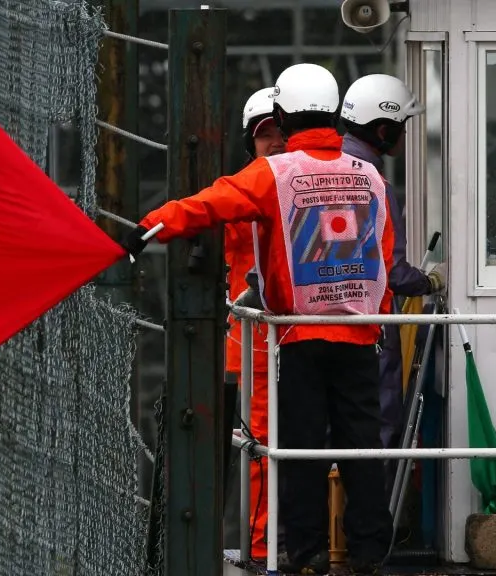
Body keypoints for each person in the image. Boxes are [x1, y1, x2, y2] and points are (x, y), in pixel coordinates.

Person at [122, 62, 395, 575]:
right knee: (362, 446)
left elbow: (210, 203)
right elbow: (381, 252)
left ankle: (304, 552)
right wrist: (378, 323)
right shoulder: (369, 176)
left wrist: (149, 226)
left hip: (296, 333)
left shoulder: (276, 172)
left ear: (285, 116)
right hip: (361, 336)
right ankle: (368, 553)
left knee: (296, 448)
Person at [338, 74, 446, 457]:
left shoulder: (322, 169)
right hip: (371, 328)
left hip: (319, 326)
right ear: (383, 130)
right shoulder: (376, 184)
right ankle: (374, 513)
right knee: (379, 428)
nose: (404, 135)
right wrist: (431, 282)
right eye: (401, 126)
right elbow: (394, 273)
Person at [223, 86, 284, 562]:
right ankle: (263, 548)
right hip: (259, 343)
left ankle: (287, 543)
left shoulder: (276, 184)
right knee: (261, 445)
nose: (275, 141)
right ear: (251, 140)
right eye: (265, 135)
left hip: (285, 336)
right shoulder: (244, 189)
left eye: (281, 132)